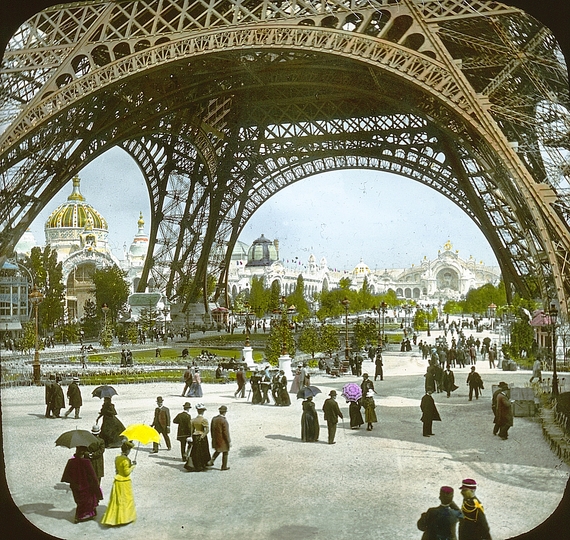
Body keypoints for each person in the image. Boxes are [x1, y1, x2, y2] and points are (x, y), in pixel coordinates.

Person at [61, 446, 103, 524]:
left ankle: (79, 516)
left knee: (79, 502)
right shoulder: (86, 462)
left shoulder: (71, 461)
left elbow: (67, 475)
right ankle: (84, 516)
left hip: (75, 486)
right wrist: (96, 486)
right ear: (83, 453)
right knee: (88, 501)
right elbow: (93, 476)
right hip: (86, 486)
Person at [100, 441, 137, 526]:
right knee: (126, 500)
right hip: (124, 481)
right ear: (127, 450)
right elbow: (126, 472)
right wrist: (133, 466)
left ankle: (116, 518)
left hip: (117, 480)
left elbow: (117, 470)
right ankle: (125, 518)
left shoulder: (117, 458)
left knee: (117, 500)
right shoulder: (126, 460)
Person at [187, 404, 211, 472]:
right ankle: (202, 465)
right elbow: (207, 430)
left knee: (195, 451)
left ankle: (195, 465)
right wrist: (202, 436)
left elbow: (191, 430)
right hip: (201, 436)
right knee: (203, 451)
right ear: (203, 411)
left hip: (195, 436)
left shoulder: (193, 420)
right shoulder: (204, 420)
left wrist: (192, 437)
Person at [207, 405, 231, 470]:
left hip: (216, 438)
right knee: (225, 452)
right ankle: (224, 466)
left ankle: (211, 461)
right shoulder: (224, 421)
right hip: (223, 439)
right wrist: (229, 441)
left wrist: (213, 438)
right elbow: (226, 432)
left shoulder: (214, 419)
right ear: (225, 412)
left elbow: (211, 429)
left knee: (218, 450)